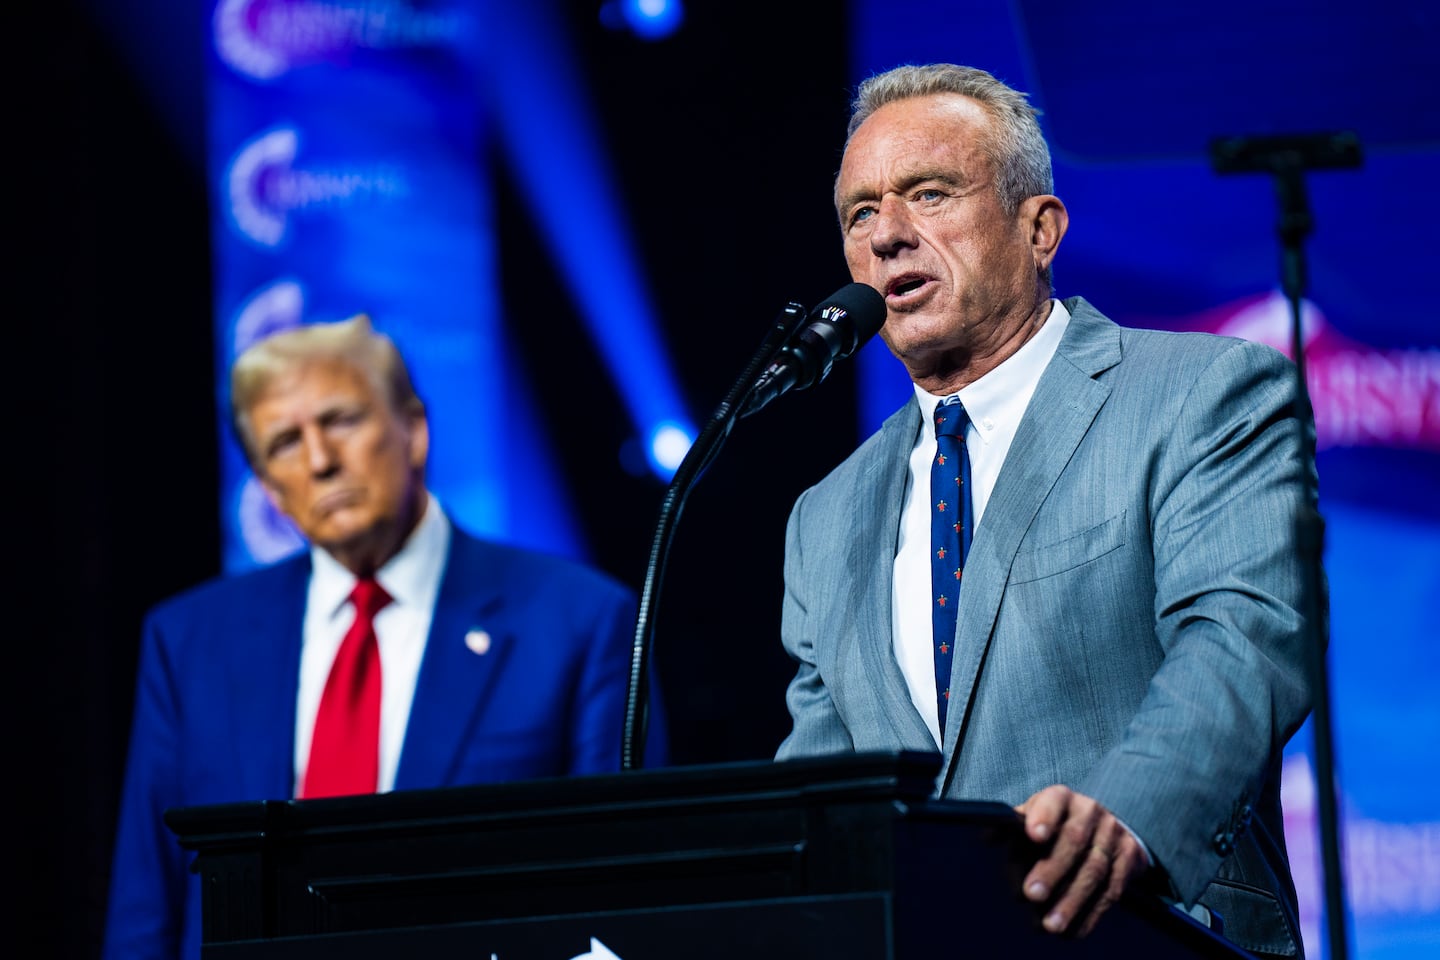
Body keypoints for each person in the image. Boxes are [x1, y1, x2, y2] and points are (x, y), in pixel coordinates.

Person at [775, 63, 1314, 958]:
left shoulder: (1202, 394)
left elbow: (1246, 637)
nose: (888, 237)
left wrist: (1130, 815)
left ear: (1040, 229)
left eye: (929, 194)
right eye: (860, 213)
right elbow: (826, 796)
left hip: (1150, 934)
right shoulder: (824, 517)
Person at [103, 314, 665, 960]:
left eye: (341, 420)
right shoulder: (190, 641)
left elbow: (623, 900)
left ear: (414, 430)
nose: (320, 460)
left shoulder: (579, 621)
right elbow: (145, 910)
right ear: (268, 490)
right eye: (284, 442)